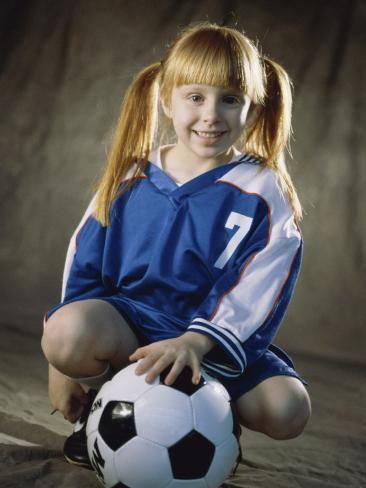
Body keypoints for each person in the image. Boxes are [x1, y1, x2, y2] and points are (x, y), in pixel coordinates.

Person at [41, 21, 311, 470]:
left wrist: (196, 341)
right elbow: (82, 260)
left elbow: (262, 285)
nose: (211, 115)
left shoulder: (263, 189)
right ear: (166, 99)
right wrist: (60, 365)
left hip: (212, 339)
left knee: (288, 409)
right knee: (67, 333)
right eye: (195, 97)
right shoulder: (131, 175)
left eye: (230, 99)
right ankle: (99, 412)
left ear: (254, 108)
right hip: (131, 325)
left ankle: (209, 420)